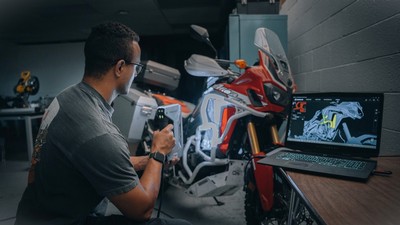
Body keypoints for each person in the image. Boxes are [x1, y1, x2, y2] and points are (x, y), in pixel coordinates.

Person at [14, 22, 192, 225]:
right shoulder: (99, 132)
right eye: (137, 66)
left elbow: (94, 158)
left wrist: (147, 160)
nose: (137, 73)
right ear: (120, 67)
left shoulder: (65, 98)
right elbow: (143, 210)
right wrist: (158, 153)